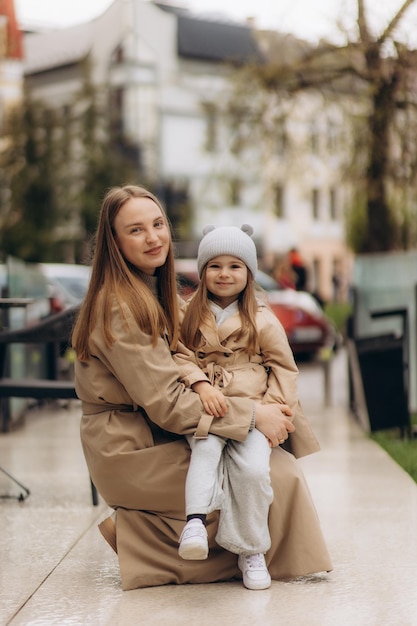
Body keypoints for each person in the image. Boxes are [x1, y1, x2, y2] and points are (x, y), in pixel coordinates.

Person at [72, 184, 332, 591]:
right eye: (136, 230)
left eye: (158, 224)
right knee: (262, 482)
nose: (154, 237)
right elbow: (170, 404)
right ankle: (146, 544)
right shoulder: (120, 306)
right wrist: (253, 416)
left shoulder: (155, 289)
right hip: (129, 445)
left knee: (272, 466)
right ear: (114, 242)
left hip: (154, 430)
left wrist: (270, 404)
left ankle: (187, 541)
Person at [174, 225, 323, 590]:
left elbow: (284, 368)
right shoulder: (188, 315)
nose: (224, 274)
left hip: (256, 409)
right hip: (211, 406)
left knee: (254, 472)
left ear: (249, 273)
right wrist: (201, 382)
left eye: (235, 266)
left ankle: (251, 550)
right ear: (202, 271)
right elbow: (177, 355)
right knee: (205, 450)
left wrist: (276, 411)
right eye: (215, 266)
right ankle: (193, 522)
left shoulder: (263, 318)